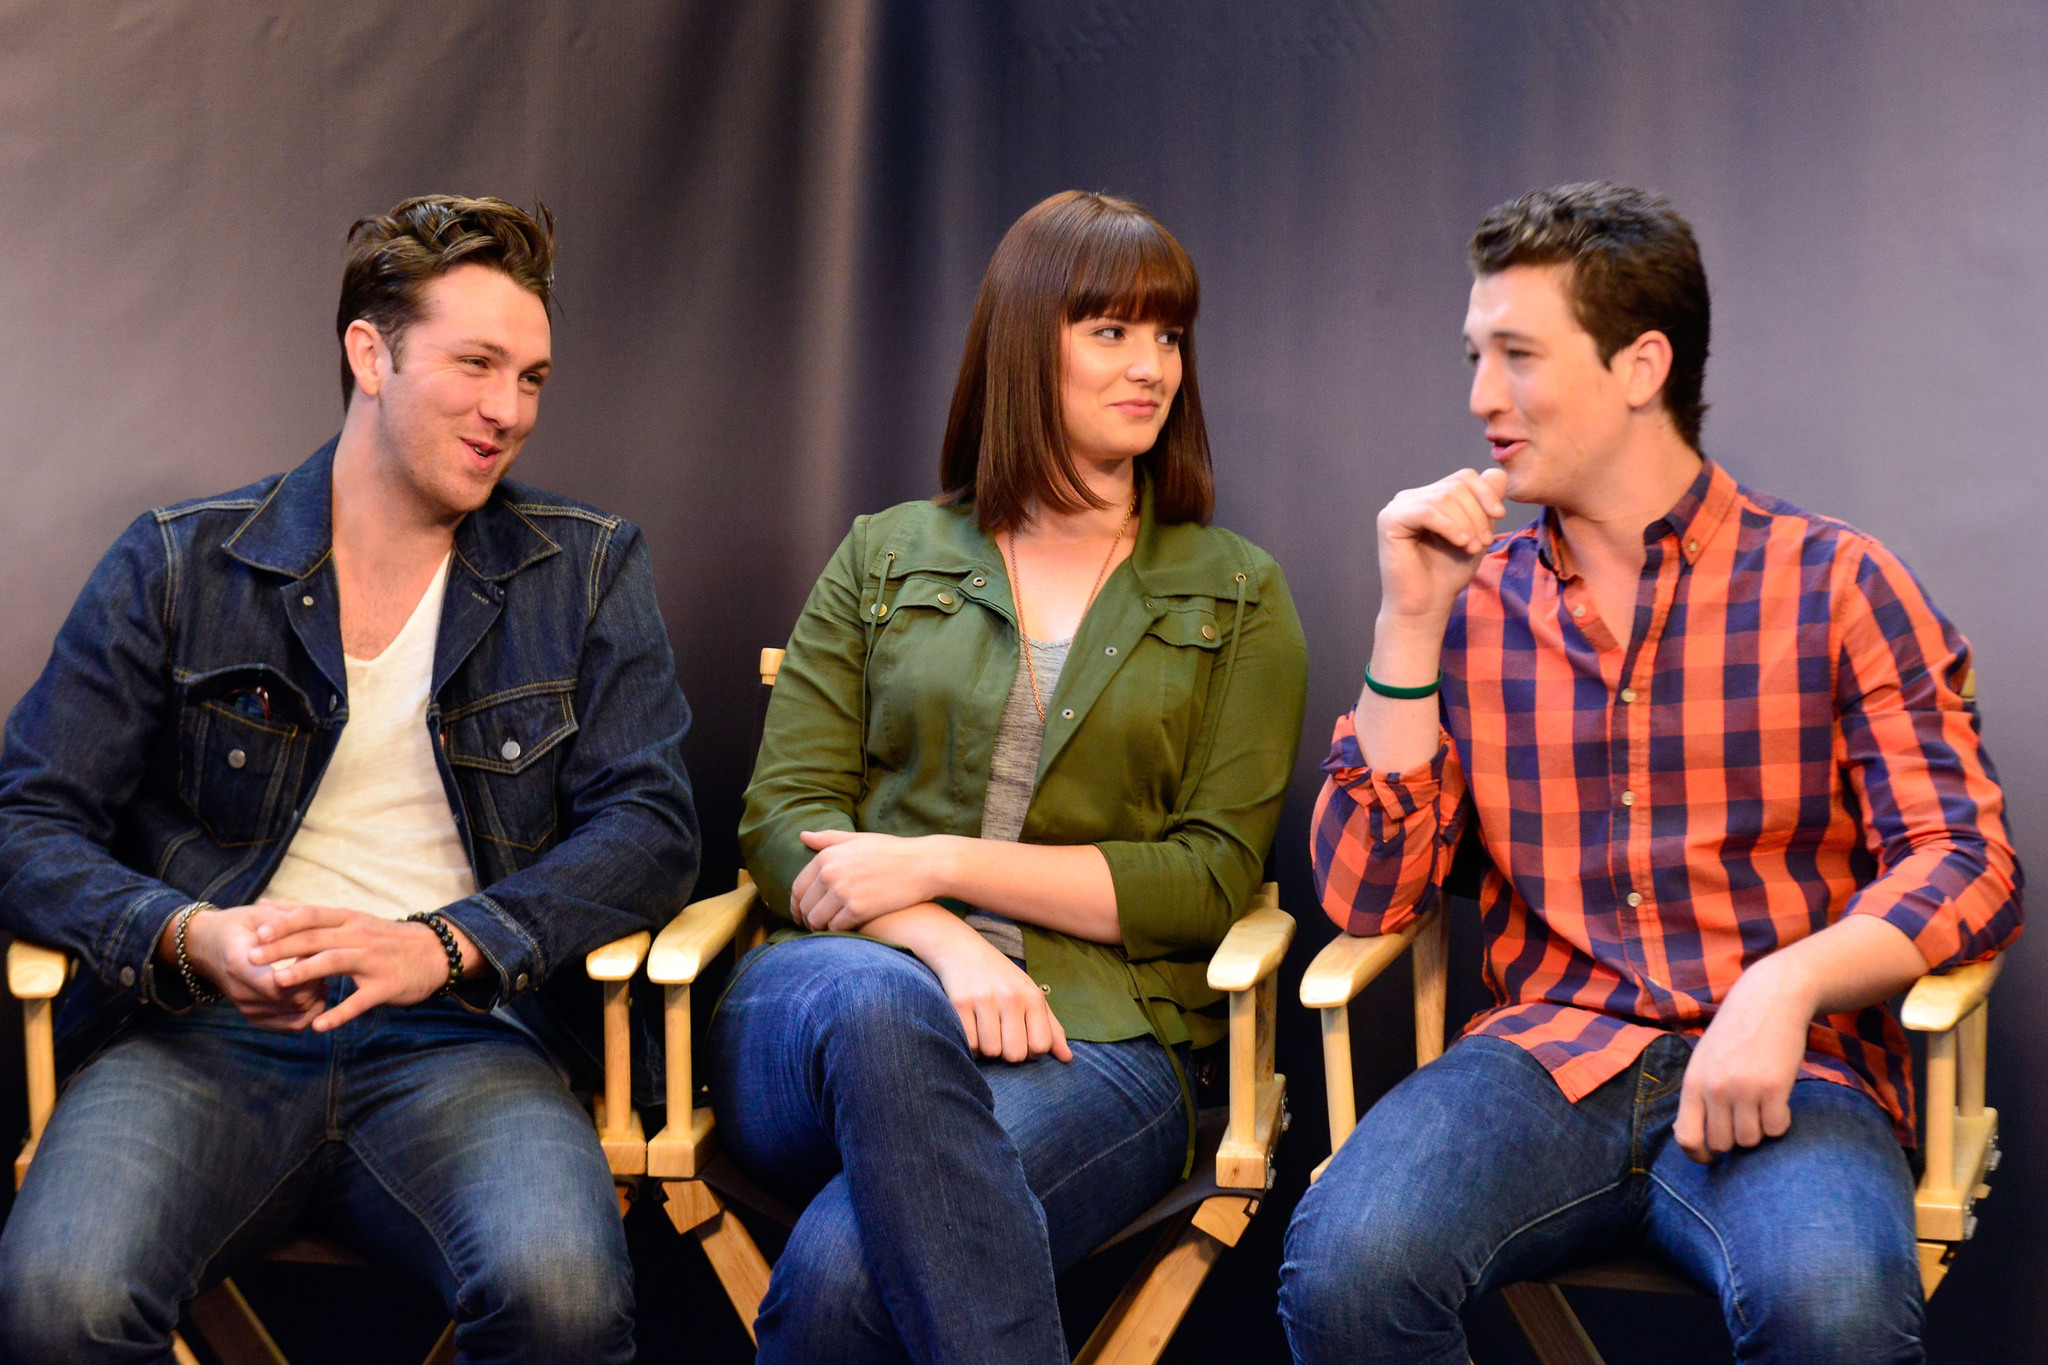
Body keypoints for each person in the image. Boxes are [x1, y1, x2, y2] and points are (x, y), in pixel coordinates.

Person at [1281, 182, 2022, 1364]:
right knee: (1347, 1273)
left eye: (1516, 355)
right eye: (1474, 355)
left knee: (1832, 1315)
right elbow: (1367, 901)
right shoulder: (1468, 607)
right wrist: (1407, 632)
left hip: (1794, 1079)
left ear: (1639, 366)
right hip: (1542, 1056)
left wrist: (1781, 989)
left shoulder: (1836, 583)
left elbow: (1966, 862)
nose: (1479, 398)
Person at [0, 196, 698, 1364]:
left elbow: (654, 826)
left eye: (530, 377)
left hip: (464, 1037)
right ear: (368, 354)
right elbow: (27, 819)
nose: (507, 411)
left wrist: (448, 943)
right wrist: (185, 938)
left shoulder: (582, 566)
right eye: (475, 364)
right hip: (203, 1037)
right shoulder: (181, 560)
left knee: (564, 1305)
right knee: (58, 1302)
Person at [717, 189, 1308, 1364]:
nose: (1150, 367)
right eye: (1109, 331)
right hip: (832, 1006)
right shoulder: (884, 554)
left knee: (842, 1280)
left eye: (1167, 335)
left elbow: (1204, 880)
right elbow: (783, 822)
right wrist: (943, 936)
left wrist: (937, 857)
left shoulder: (1235, 591)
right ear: (1022, 343)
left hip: (1095, 1042)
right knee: (882, 1008)